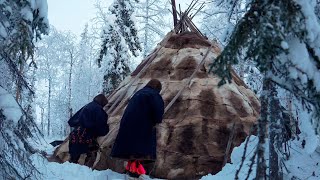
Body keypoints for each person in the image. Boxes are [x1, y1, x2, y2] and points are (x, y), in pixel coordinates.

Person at [110, 79, 164, 177]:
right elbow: (157, 113)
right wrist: (157, 120)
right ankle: (135, 174)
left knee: (132, 152)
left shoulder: (137, 94)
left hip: (127, 125)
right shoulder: (154, 95)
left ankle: (131, 170)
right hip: (141, 127)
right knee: (140, 151)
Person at [68, 94, 109, 164]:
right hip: (86, 137)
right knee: (90, 156)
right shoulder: (98, 110)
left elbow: (71, 121)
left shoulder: (87, 106)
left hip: (74, 136)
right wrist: (107, 129)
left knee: (73, 161)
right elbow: (101, 127)